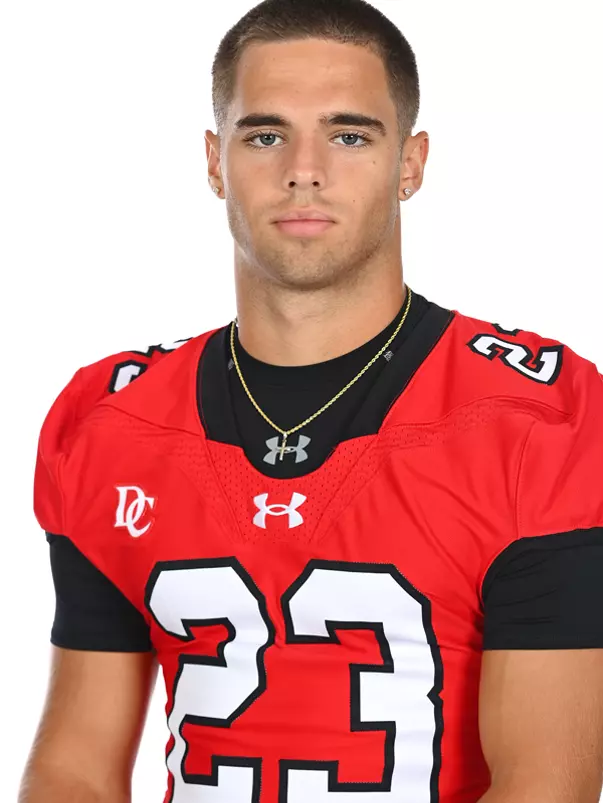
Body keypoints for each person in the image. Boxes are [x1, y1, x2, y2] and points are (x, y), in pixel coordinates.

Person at [19, 0, 603, 801]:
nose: (303, 167)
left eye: (349, 134)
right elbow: (73, 771)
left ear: (411, 162)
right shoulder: (109, 421)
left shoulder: (539, 419)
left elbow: (547, 786)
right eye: (264, 135)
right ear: (214, 160)